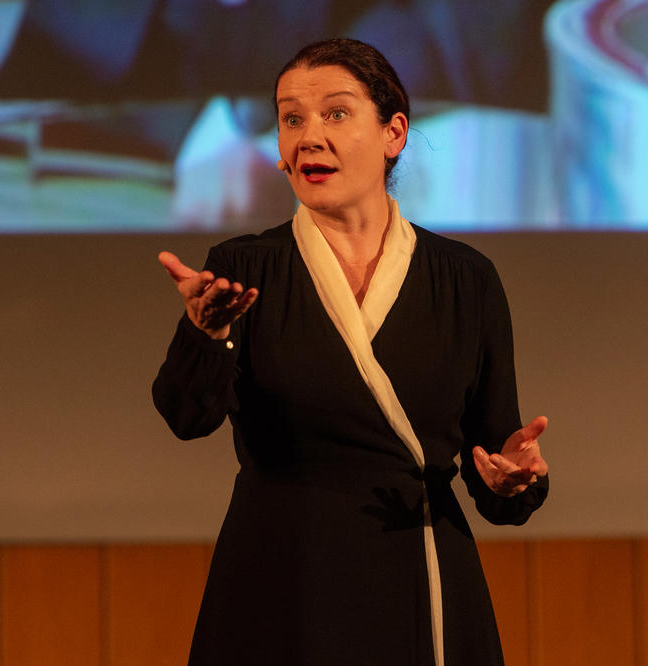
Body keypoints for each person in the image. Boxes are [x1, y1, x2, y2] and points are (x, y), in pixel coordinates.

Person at [153, 38, 548, 666]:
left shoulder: (464, 279)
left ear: (394, 133)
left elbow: (492, 460)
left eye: (335, 114)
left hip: (418, 575)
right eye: (291, 119)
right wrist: (206, 333)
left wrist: (513, 478)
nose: (308, 137)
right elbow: (185, 416)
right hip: (282, 576)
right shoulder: (244, 268)